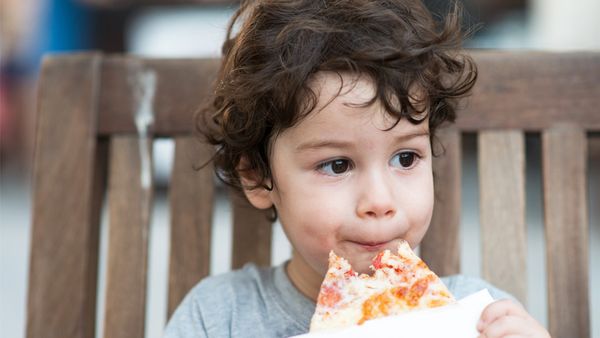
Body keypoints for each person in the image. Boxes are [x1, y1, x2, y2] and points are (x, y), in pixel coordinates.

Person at [164, 1, 550, 337]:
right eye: (337, 165)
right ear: (256, 176)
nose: (379, 201)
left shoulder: (480, 317)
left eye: (405, 158)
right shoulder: (219, 318)